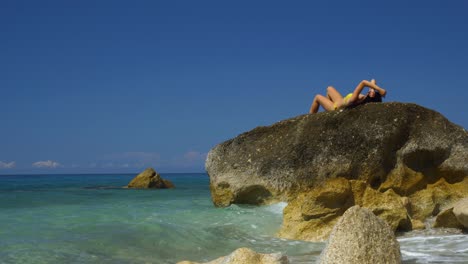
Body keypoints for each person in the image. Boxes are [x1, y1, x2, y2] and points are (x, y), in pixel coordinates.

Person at [309, 79, 387, 114]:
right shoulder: (364, 98)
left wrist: (379, 89)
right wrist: (373, 89)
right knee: (329, 88)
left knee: (317, 97)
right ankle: (326, 114)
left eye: (371, 92)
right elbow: (373, 80)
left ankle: (310, 119)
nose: (370, 91)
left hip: (335, 107)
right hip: (340, 100)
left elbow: (363, 83)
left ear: (370, 95)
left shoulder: (355, 99)